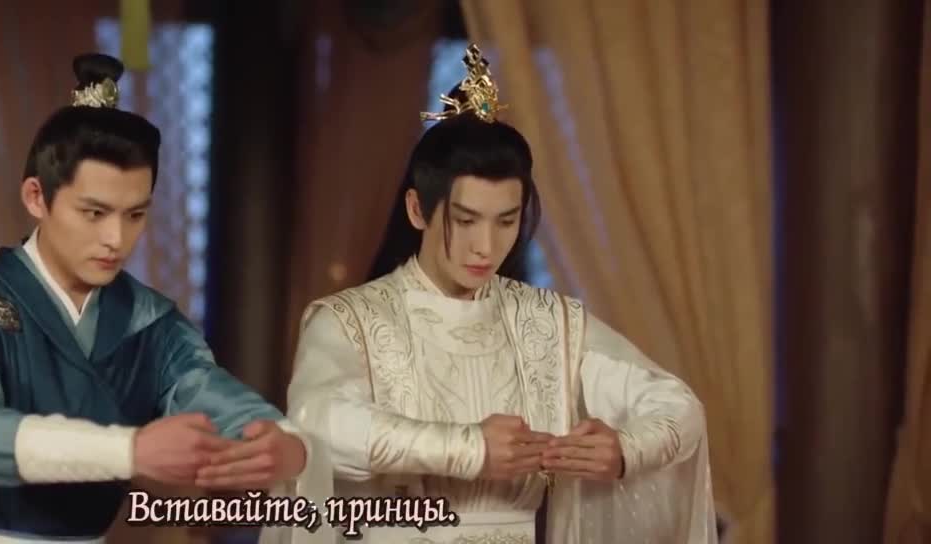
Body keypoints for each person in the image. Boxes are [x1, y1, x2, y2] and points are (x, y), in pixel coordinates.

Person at [265, 44, 717, 543]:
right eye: (465, 221)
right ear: (417, 210)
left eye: (506, 221)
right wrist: (470, 449)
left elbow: (679, 406)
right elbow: (318, 422)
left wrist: (626, 449)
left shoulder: (547, 323)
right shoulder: (350, 320)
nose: (486, 246)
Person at [0, 53, 309, 544]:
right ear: (36, 197)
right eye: (94, 213)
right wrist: (130, 451)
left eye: (135, 215)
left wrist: (285, 443)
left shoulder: (150, 323)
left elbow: (212, 394)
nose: (116, 239)